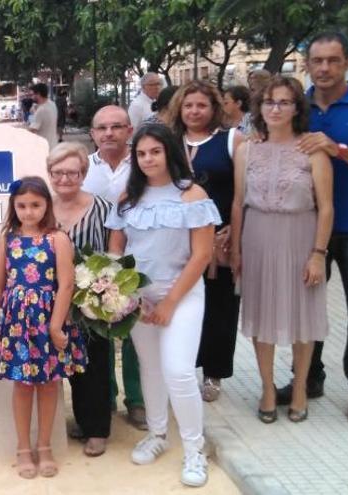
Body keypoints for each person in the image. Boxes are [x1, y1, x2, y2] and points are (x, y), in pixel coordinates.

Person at [107, 124, 220, 487]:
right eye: (141, 153)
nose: (148, 159)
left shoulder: (192, 195)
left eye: (155, 151)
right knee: (150, 369)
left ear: (170, 152)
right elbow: (115, 251)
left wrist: (170, 302)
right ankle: (157, 434)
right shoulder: (128, 198)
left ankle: (194, 449)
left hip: (182, 296)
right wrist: (127, 296)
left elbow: (202, 255)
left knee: (180, 371)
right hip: (139, 299)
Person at [230, 76, 333, 423]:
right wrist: (236, 250)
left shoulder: (312, 149)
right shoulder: (247, 149)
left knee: (302, 317)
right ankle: (268, 387)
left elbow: (327, 207)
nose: (275, 108)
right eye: (269, 102)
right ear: (259, 107)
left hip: (300, 235)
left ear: (296, 108)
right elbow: (238, 201)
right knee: (262, 317)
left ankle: (301, 386)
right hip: (257, 236)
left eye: (284, 102)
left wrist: (318, 253)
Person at [278, 32, 348, 423]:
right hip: (306, 228)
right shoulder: (298, 105)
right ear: (306, 63)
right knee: (305, 309)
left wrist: (336, 149)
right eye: (317, 60)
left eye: (333, 60)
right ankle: (306, 379)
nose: (324, 68)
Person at [0, 176, 85, 479]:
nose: (29, 212)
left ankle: (44, 446)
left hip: (49, 318)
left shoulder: (58, 238)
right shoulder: (7, 239)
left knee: (49, 384)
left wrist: (56, 326)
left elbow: (67, 284)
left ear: (47, 205)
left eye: (35, 205)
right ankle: (22, 448)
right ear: (13, 206)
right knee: (22, 384)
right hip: (17, 323)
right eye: (22, 205)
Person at [167, 80, 245, 402]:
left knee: (220, 308)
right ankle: (182, 370)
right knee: (181, 305)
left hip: (220, 241)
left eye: (201, 105)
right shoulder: (168, 141)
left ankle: (213, 374)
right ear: (180, 109)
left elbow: (242, 195)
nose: (194, 111)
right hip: (175, 240)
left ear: (214, 108)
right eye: (188, 105)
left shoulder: (231, 140)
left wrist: (236, 240)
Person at [81, 105, 147, 430]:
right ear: (92, 133)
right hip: (92, 263)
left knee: (135, 333)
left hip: (136, 257)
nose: (109, 133)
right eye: (102, 127)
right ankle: (103, 396)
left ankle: (137, 399)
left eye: (116, 127)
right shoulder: (84, 168)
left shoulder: (145, 164)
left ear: (129, 130)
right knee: (99, 331)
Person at [48, 142, 113, 456]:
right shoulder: (42, 209)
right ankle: (80, 421)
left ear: (83, 173)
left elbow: (113, 253)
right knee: (66, 365)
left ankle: (97, 429)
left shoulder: (101, 208)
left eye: (72, 172)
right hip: (52, 301)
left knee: (95, 365)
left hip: (92, 299)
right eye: (58, 172)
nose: (64, 179)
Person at [27, 83, 59, 151]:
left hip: (44, 148)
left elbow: (32, 130)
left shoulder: (41, 110)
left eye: (32, 95)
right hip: (53, 145)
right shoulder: (52, 104)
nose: (31, 97)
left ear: (38, 94)